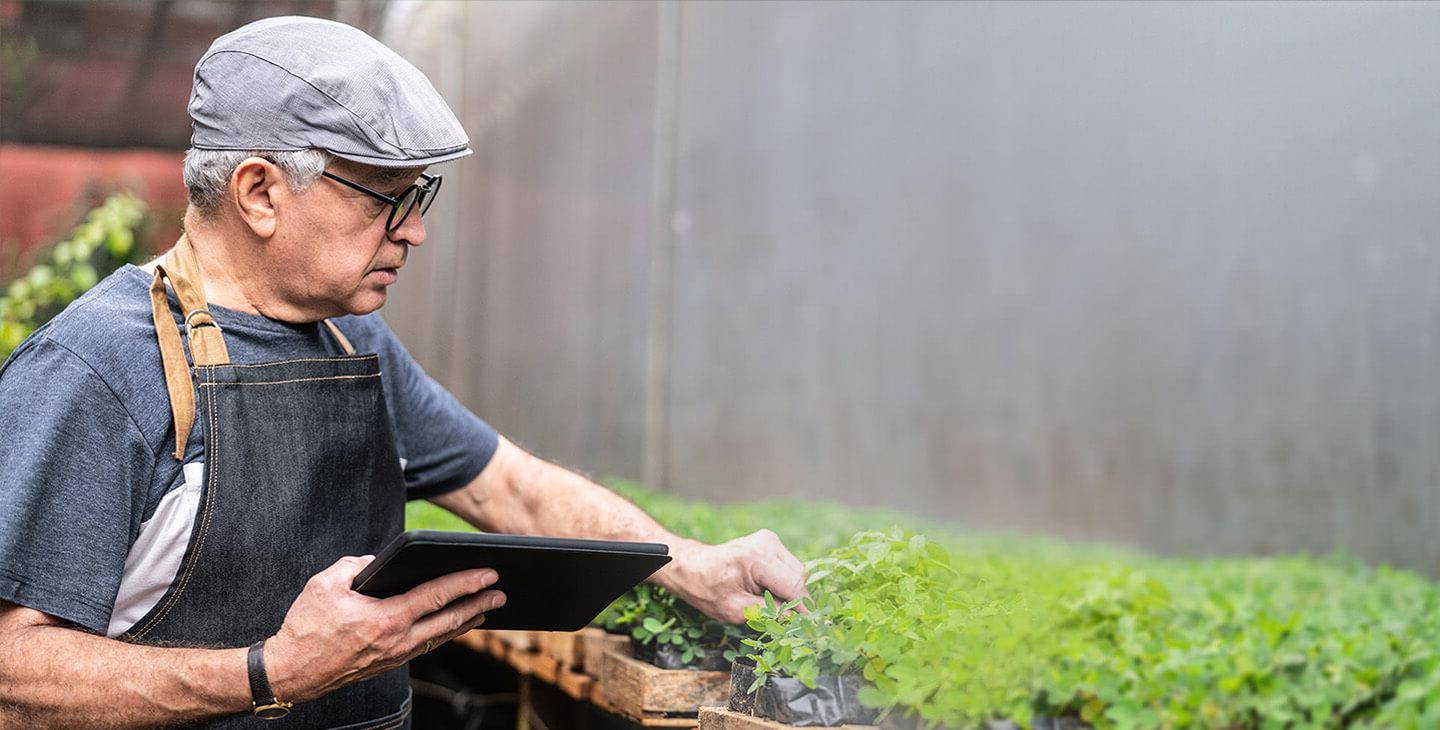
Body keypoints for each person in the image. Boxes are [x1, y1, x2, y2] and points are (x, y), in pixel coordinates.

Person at [0, 16, 805, 728]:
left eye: (420, 194)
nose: (415, 230)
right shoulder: (97, 370)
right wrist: (273, 672)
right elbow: (11, 675)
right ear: (259, 193)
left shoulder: (353, 342)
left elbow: (504, 485)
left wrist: (688, 560)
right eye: (385, 196)